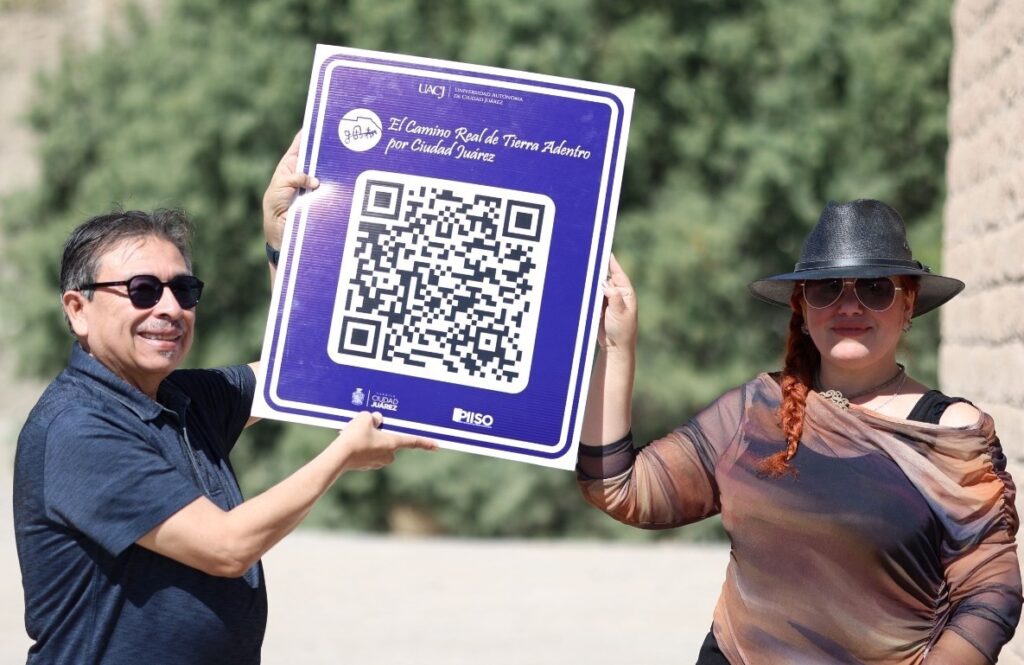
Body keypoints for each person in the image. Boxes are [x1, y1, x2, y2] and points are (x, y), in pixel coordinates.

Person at [13, 134, 436, 665]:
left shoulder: (181, 399)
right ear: (78, 309)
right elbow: (226, 547)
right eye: (143, 290)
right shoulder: (76, 428)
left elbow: (301, 370)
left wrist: (282, 239)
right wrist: (340, 457)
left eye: (184, 290)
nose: (169, 308)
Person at [577, 199, 1022, 664]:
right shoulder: (755, 410)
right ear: (803, 308)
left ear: (908, 304)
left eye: (874, 288)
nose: (849, 305)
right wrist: (618, 347)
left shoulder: (948, 434)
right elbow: (618, 487)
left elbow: (992, 592)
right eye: (827, 288)